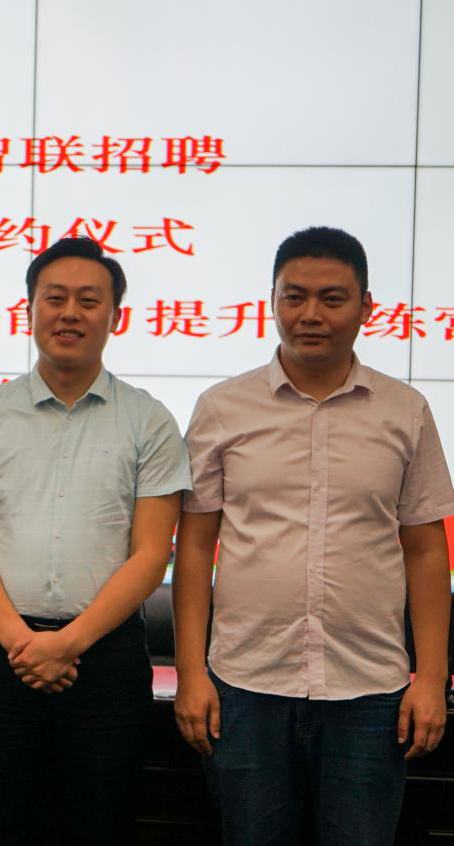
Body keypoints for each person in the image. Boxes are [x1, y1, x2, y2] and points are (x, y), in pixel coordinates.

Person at [173, 226, 454, 845]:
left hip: (369, 688)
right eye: (294, 296)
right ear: (272, 301)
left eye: (332, 298)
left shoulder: (405, 410)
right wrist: (191, 672)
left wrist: (433, 678)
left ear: (366, 307)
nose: (310, 315)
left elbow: (426, 549)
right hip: (245, 683)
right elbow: (193, 546)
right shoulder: (222, 407)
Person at [0, 237, 190, 844]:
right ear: (30, 309)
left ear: (115, 316)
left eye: (88, 300)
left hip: (105, 661)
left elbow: (151, 553)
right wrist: (23, 644)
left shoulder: (149, 420)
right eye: (54, 299)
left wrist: (67, 645)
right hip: (2, 655)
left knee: (102, 820)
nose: (69, 313)